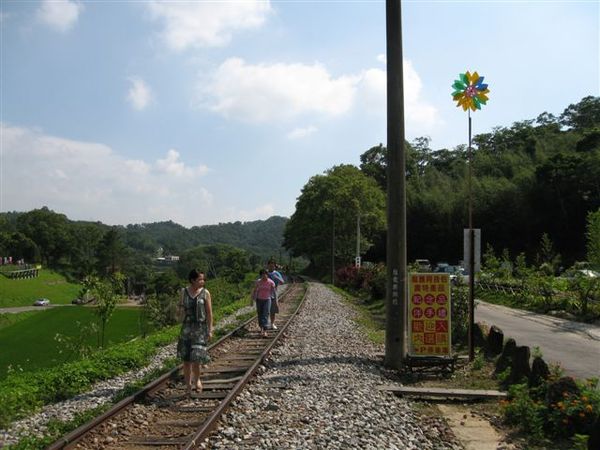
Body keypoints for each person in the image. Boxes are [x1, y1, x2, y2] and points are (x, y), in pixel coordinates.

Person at [177, 269, 213, 396]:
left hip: (200, 328)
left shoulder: (205, 293)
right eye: (200, 279)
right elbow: (180, 310)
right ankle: (188, 386)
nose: (202, 282)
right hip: (186, 328)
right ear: (192, 280)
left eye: (203, 279)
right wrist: (178, 312)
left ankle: (197, 380)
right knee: (186, 360)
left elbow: (209, 313)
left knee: (196, 358)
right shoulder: (183, 292)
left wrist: (210, 329)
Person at [251, 269, 276, 337]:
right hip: (259, 300)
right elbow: (254, 290)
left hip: (267, 299)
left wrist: (274, 299)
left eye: (265, 274)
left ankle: (265, 330)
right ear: (260, 275)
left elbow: (273, 291)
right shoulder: (258, 282)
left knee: (266, 313)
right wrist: (252, 300)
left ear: (267, 275)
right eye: (262, 274)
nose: (264, 276)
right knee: (260, 314)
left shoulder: (271, 282)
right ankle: (261, 328)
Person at [267, 260, 285, 329]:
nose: (271, 267)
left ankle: (272, 323)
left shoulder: (277, 273)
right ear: (267, 265)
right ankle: (267, 323)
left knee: (273, 309)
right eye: (270, 265)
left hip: (274, 292)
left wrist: (276, 277)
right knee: (266, 309)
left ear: (275, 266)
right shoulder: (265, 273)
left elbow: (282, 282)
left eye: (273, 266)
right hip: (265, 293)